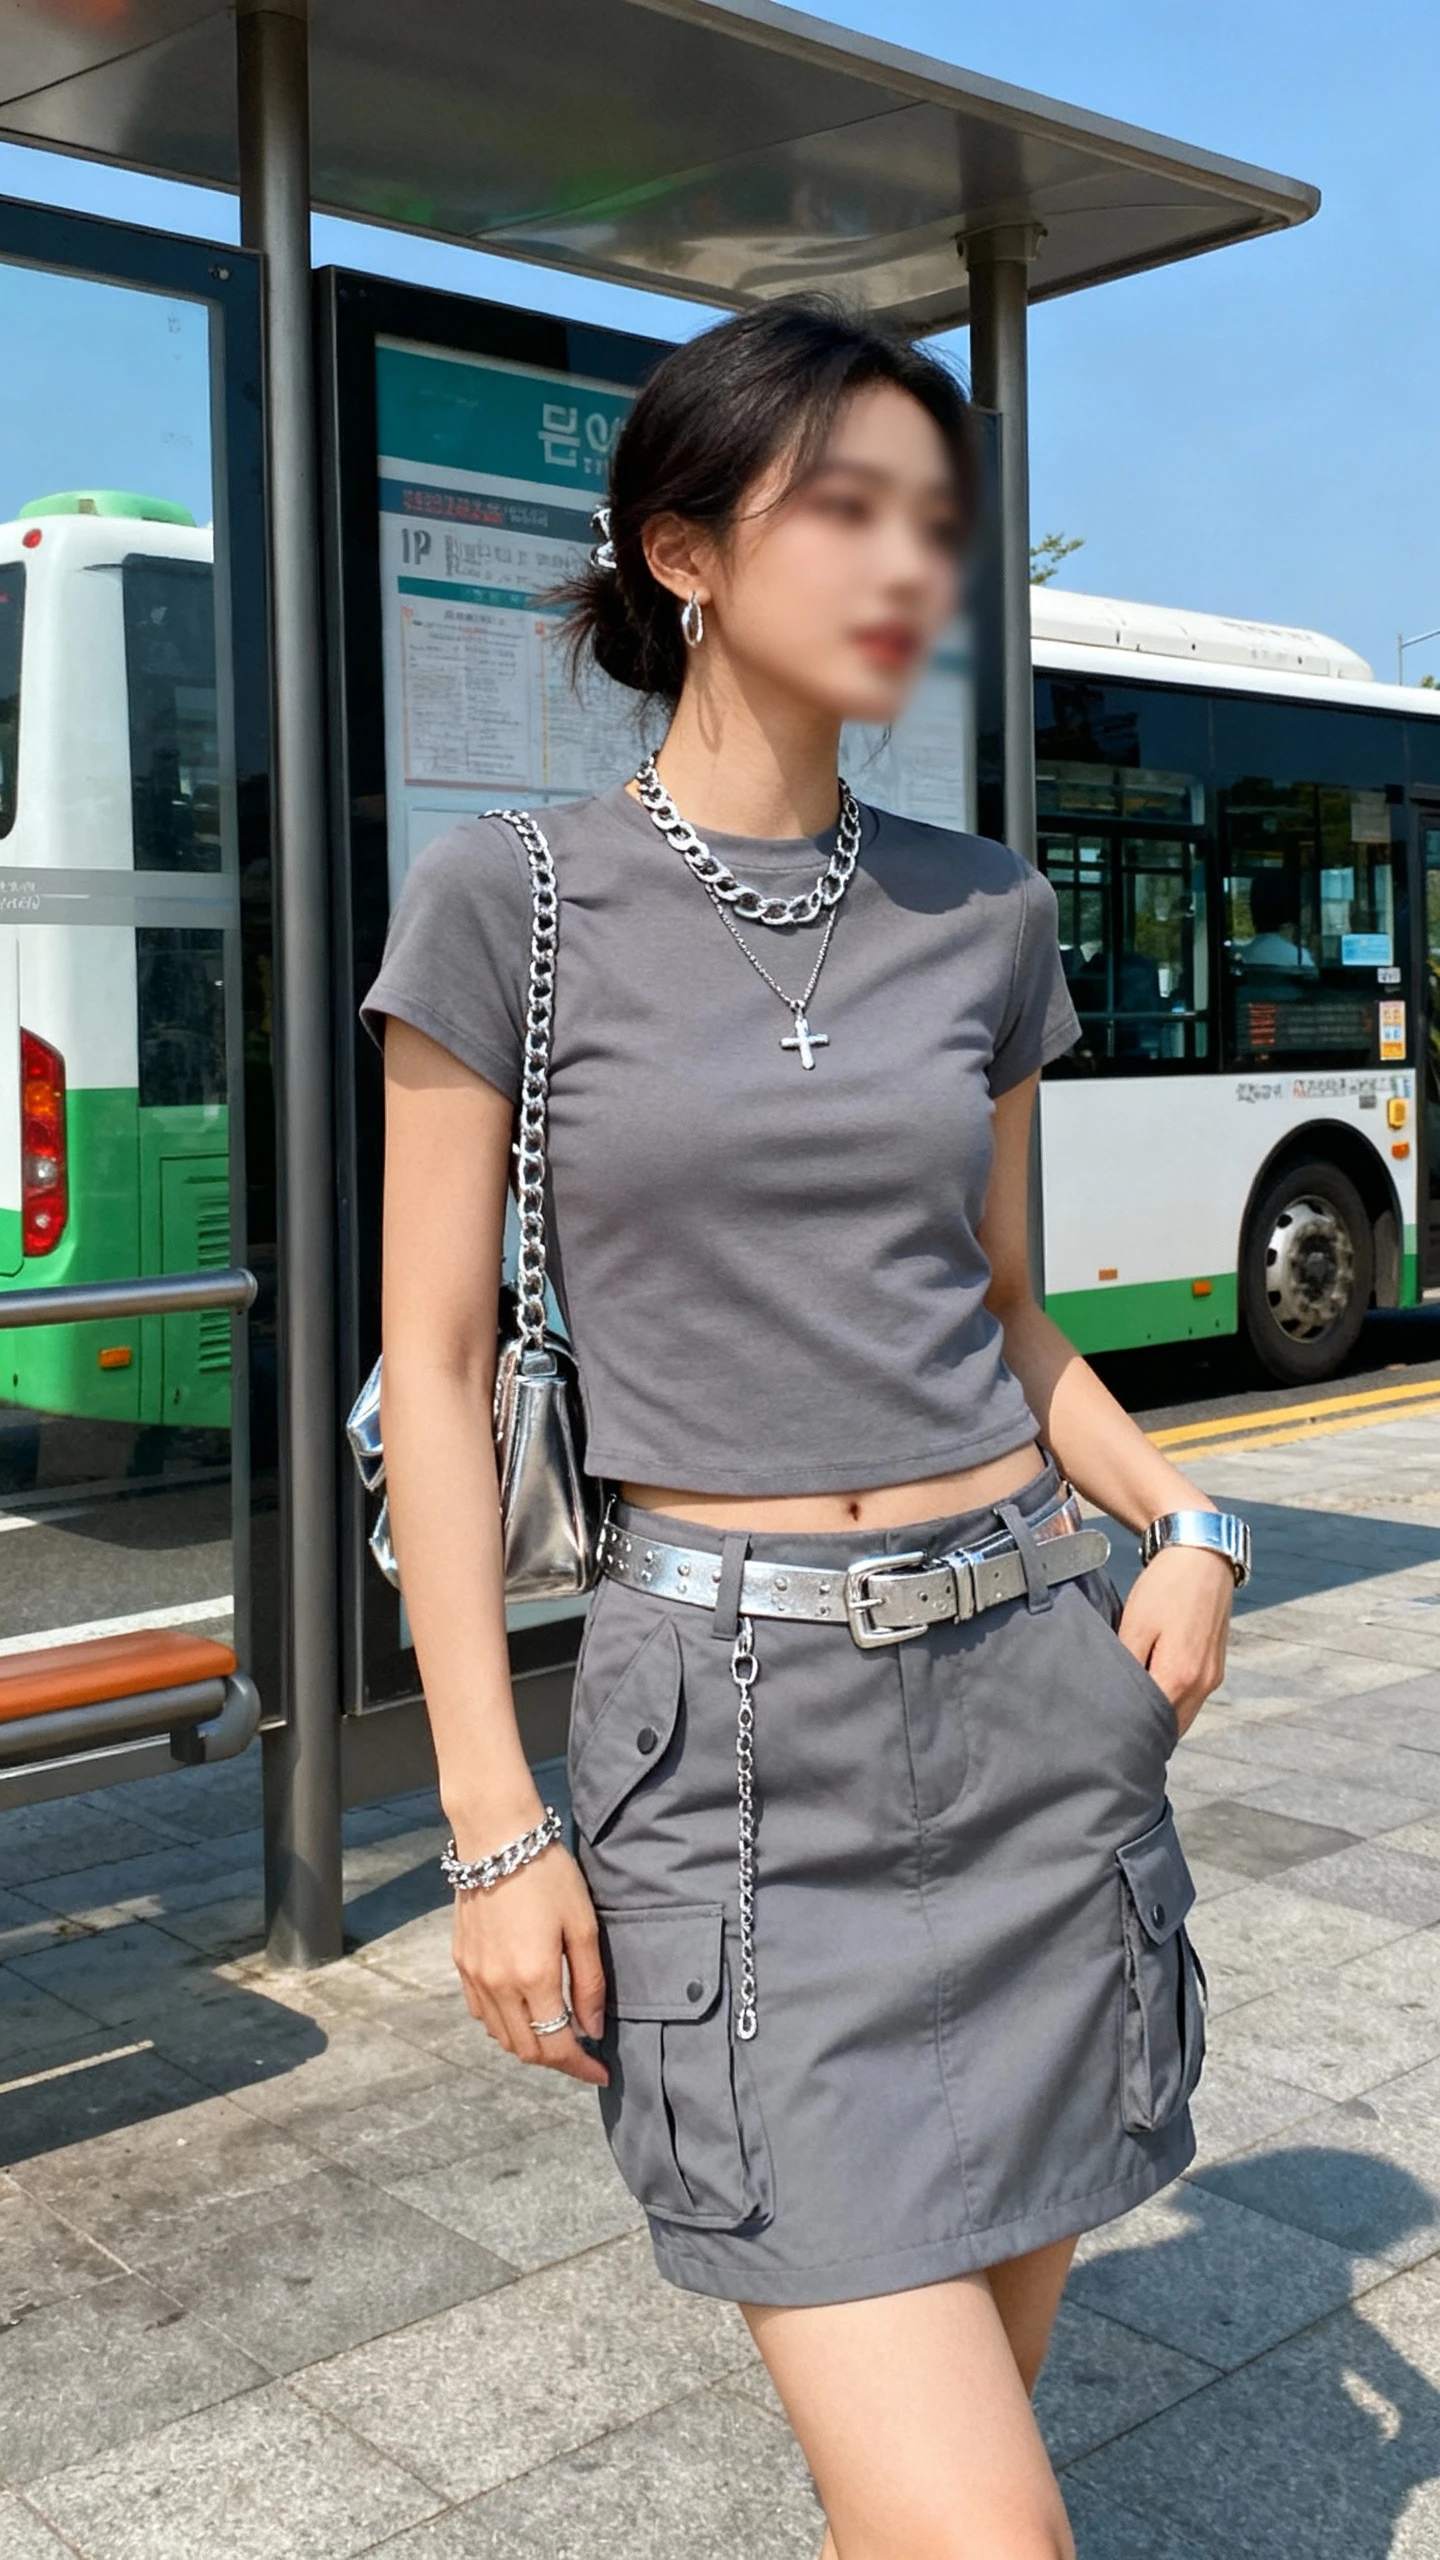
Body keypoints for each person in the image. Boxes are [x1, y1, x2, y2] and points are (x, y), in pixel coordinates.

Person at [359, 298, 1249, 2560]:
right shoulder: (509, 903)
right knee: (989, 2530)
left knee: (940, 2494)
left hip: (1040, 1714)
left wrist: (1194, 1521)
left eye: (934, 523)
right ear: (680, 545)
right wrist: (489, 1820)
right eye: (839, 506)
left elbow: (1010, 1309)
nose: (904, 567)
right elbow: (435, 1378)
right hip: (732, 1757)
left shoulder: (988, 911)